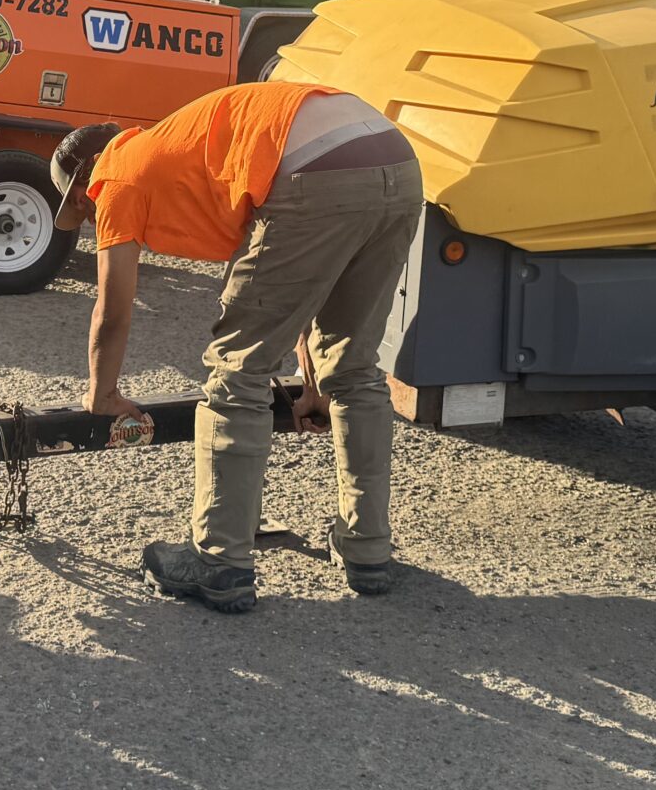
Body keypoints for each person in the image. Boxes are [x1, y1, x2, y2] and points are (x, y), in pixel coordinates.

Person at [49, 81, 422, 613]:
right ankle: (368, 551)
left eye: (82, 211)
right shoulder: (189, 153)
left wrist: (102, 393)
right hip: (395, 164)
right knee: (355, 366)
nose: (90, 220)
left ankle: (220, 560)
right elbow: (294, 286)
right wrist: (314, 384)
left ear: (85, 182)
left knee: (236, 372)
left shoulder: (116, 176)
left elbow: (113, 309)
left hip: (312, 170)